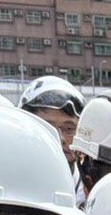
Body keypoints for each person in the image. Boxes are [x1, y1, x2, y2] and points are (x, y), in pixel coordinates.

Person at [19, 74, 86, 202]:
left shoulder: (92, 190)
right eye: (47, 128)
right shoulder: (12, 185)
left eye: (69, 129)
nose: (60, 138)